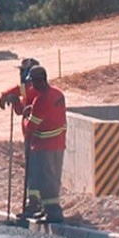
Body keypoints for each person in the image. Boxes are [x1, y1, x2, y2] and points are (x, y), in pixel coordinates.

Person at [21, 65, 67, 224]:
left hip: (44, 147)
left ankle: (53, 214)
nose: (31, 85)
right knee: (52, 179)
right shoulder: (58, 94)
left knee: (45, 181)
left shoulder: (41, 100)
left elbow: (31, 127)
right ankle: (47, 211)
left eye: (32, 82)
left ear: (39, 81)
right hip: (59, 145)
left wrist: (27, 116)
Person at [0, 57, 42, 216]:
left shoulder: (31, 88)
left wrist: (7, 96)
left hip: (36, 137)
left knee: (35, 171)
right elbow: (20, 109)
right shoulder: (31, 88)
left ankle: (35, 204)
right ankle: (35, 203)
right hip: (30, 136)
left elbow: (20, 95)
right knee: (34, 171)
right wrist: (12, 99)